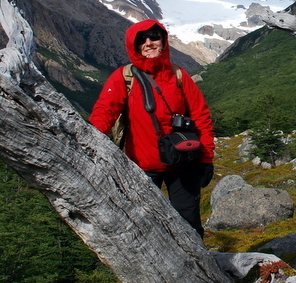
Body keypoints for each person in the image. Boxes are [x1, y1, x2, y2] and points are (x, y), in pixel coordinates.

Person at [90, 19, 214, 238]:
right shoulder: (124, 77)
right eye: (141, 39)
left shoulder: (179, 76)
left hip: (183, 164)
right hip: (142, 167)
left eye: (154, 37)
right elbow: (105, 111)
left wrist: (205, 159)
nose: (148, 43)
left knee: (190, 226)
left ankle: (198, 268)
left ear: (163, 41)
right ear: (134, 45)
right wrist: (89, 140)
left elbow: (201, 116)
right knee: (142, 228)